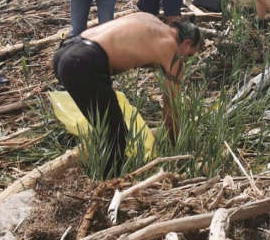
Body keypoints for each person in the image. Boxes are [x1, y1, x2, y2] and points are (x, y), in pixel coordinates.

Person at [52, 12, 203, 178]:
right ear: (187, 43)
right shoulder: (172, 53)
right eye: (189, 55)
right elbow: (171, 111)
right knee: (115, 134)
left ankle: (100, 172)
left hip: (66, 52)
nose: (186, 60)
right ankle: (108, 187)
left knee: (105, 125)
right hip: (83, 62)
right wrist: (177, 149)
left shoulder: (151, 20)